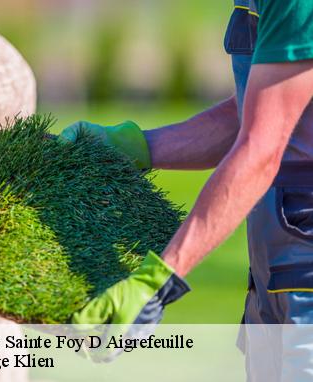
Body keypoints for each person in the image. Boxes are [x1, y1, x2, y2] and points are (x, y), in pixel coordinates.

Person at [62, 1, 313, 376]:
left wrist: (158, 280)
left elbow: (260, 149)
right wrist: (136, 146)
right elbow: (250, 111)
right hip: (276, 276)